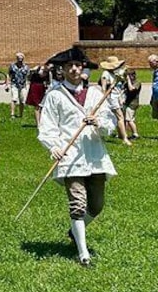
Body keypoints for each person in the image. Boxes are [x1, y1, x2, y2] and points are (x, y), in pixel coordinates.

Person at [38, 47, 118, 267]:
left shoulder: (94, 94)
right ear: (62, 70)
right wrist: (53, 146)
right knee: (78, 205)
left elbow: (110, 124)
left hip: (94, 155)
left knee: (97, 205)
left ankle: (74, 233)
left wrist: (99, 123)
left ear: (83, 68)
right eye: (69, 66)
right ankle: (83, 254)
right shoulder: (54, 95)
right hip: (70, 156)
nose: (74, 69)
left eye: (77, 65)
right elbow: (47, 126)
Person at [99, 56, 131, 146]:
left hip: (117, 97)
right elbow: (103, 88)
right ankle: (124, 138)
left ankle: (121, 135)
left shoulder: (115, 73)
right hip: (111, 98)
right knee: (120, 117)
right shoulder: (105, 74)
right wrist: (104, 99)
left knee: (118, 117)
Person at [5, 52, 30, 119]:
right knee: (14, 99)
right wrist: (7, 84)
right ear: (17, 59)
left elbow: (28, 76)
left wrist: (28, 84)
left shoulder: (26, 67)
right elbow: (8, 75)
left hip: (23, 85)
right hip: (14, 84)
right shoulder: (12, 66)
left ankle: (21, 114)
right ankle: (12, 114)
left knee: (22, 100)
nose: (20, 60)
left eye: (21, 59)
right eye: (19, 59)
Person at [122, 68, 141, 140]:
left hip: (133, 103)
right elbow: (123, 90)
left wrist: (128, 80)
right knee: (125, 119)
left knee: (129, 119)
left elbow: (131, 89)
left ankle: (135, 134)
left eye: (127, 76)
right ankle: (124, 133)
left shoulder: (137, 82)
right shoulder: (126, 83)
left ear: (132, 75)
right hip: (127, 103)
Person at [149, 54, 158, 121]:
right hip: (155, 97)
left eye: (151, 63)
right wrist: (152, 97)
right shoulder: (155, 72)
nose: (150, 65)